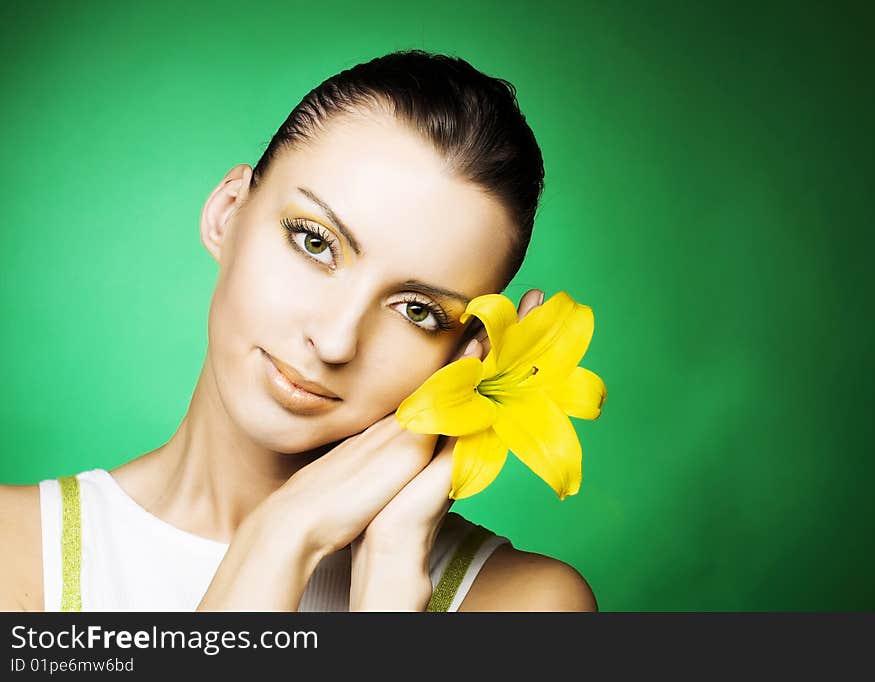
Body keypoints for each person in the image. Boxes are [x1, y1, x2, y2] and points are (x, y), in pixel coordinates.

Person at [0, 49, 598, 612]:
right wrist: (277, 540)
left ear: (467, 354)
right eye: (315, 243)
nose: (336, 341)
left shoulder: (523, 605)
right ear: (228, 211)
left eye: (417, 310)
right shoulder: (16, 554)